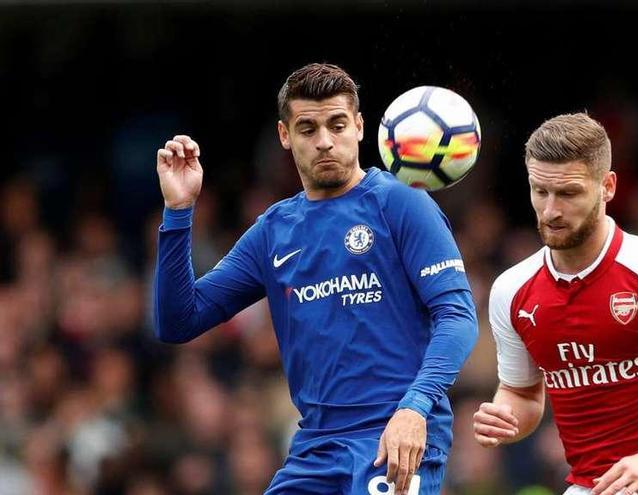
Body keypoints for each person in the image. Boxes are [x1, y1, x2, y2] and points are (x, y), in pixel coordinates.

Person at [153, 63, 478, 495]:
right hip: (316, 449)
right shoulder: (274, 231)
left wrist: (416, 408)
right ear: (285, 136)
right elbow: (178, 322)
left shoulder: (401, 204)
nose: (324, 141)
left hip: (396, 437)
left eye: (337, 124)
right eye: (308, 128)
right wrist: (178, 212)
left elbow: (457, 316)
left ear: (360, 127)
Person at [473, 112, 638, 495]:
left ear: (608, 186)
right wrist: (505, 417)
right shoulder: (511, 290)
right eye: (540, 191)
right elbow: (522, 394)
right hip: (592, 486)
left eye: (568, 193)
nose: (550, 211)